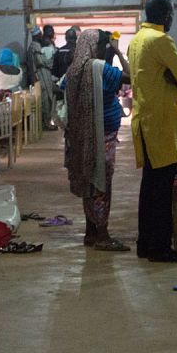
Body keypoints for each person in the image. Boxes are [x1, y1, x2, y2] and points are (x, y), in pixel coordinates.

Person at [128, 0, 177, 262]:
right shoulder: (161, 40)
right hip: (162, 124)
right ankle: (161, 248)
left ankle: (146, 243)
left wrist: (170, 76)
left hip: (144, 120)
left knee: (150, 188)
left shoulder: (136, 40)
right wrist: (173, 77)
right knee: (162, 190)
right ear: (167, 15)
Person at [65, 29, 131, 251]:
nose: (104, 50)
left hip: (83, 136)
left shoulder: (74, 70)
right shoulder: (98, 67)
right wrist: (118, 52)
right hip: (101, 135)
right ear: (95, 46)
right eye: (103, 45)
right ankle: (102, 235)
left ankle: (90, 232)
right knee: (102, 183)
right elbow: (131, 77)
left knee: (89, 181)